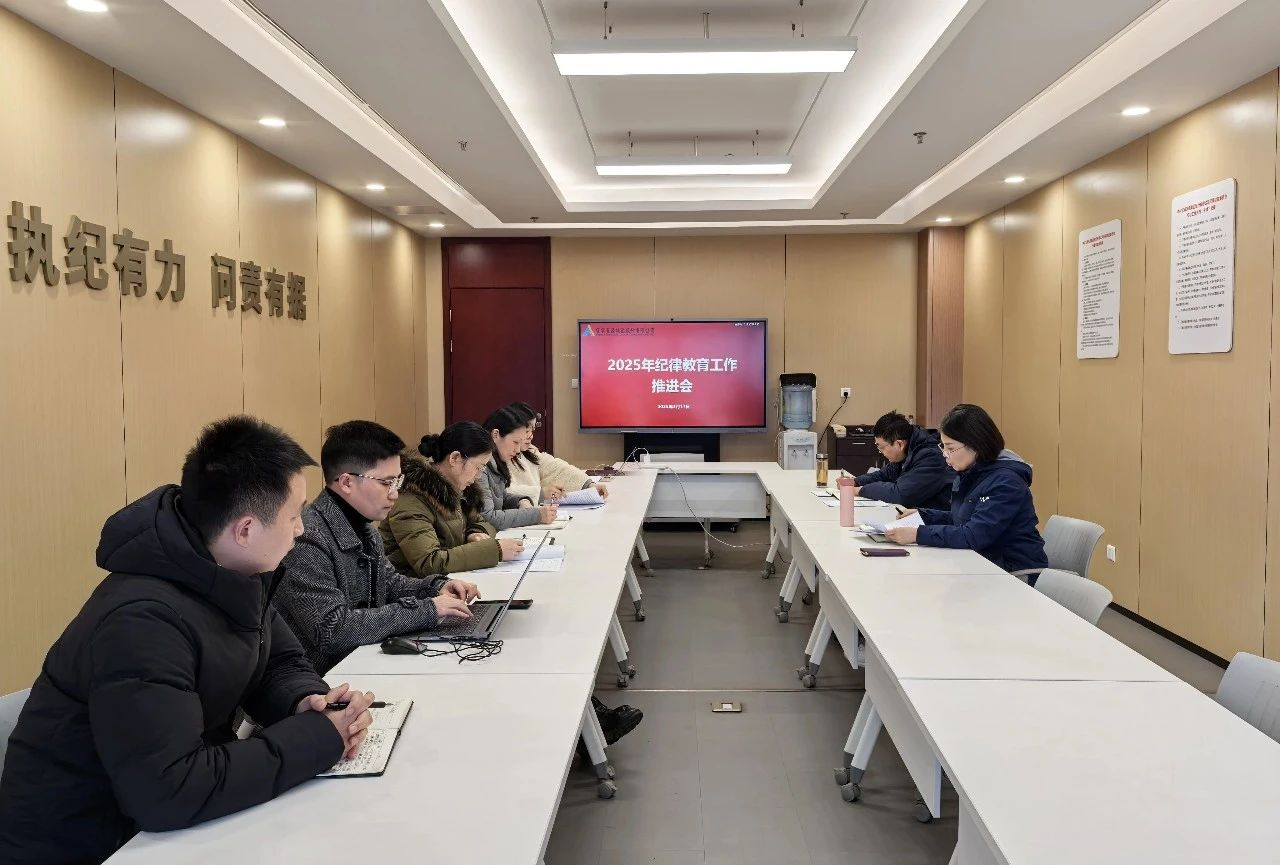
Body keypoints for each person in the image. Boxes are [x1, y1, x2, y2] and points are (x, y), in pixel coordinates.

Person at [0, 416, 376, 865]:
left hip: (161, 825)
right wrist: (317, 739)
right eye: (294, 516)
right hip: (92, 843)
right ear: (245, 530)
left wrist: (309, 702)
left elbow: (278, 663)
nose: (301, 530)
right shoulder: (141, 622)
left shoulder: (235, 571)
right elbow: (169, 790)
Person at [275, 420, 479, 674]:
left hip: (362, 663)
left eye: (398, 482)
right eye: (386, 483)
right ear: (346, 483)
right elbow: (333, 629)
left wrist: (436, 587)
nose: (394, 494)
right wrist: (427, 610)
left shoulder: (365, 528)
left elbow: (389, 583)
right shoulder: (308, 537)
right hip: (324, 680)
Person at [885, 404, 1048, 583]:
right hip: (982, 565)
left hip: (1015, 574)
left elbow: (974, 535)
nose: (945, 454)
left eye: (950, 448)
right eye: (943, 447)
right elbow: (963, 518)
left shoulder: (1006, 481)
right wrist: (923, 515)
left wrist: (917, 534)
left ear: (975, 444)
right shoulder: (971, 473)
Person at [381, 422, 525, 578]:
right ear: (455, 458)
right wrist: (495, 551)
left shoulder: (459, 488)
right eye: (478, 467)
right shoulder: (410, 497)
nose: (479, 476)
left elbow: (483, 522)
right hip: (412, 587)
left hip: (449, 580)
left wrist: (474, 533)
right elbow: (429, 563)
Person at [504, 402, 609, 504]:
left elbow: (557, 469)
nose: (530, 436)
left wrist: (588, 485)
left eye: (533, 430)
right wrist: (541, 494)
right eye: (527, 431)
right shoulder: (500, 456)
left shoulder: (529, 452)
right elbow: (503, 492)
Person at [851, 410, 954, 509]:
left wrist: (860, 490)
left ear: (899, 444)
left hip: (935, 517)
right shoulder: (908, 448)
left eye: (881, 447)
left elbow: (901, 494)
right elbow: (885, 474)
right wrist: (856, 482)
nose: (881, 452)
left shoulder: (931, 457)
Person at [479, 406, 559, 531]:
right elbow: (489, 517)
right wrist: (536, 515)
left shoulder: (496, 463)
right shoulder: (480, 467)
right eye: (515, 442)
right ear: (496, 435)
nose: (517, 450)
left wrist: (521, 501)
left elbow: (501, 497)